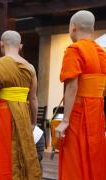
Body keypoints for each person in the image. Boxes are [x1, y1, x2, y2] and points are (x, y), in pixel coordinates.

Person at [0, 31, 41, 180]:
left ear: (1, 44)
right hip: (23, 113)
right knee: (23, 150)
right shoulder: (30, 68)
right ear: (20, 46)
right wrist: (33, 121)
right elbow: (33, 98)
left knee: (4, 151)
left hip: (4, 113)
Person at [55, 10, 106, 180]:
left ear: (73, 27)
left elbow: (72, 86)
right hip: (97, 112)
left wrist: (65, 120)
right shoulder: (101, 52)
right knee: (94, 155)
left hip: (79, 112)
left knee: (75, 157)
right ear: (92, 28)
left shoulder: (74, 49)